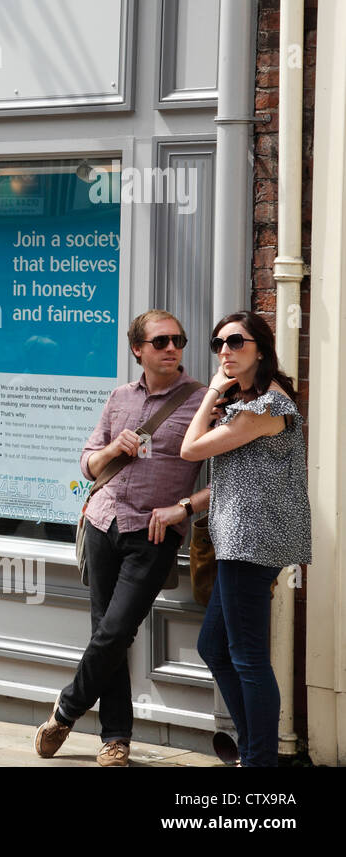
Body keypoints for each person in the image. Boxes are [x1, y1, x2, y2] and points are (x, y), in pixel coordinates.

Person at [34, 310, 208, 766]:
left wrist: (183, 509)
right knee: (104, 634)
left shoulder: (202, 402)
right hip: (102, 522)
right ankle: (116, 739)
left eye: (178, 340)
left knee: (115, 632)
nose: (172, 348)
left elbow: (227, 480)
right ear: (138, 350)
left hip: (152, 533)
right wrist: (114, 448)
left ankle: (66, 711)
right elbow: (88, 463)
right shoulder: (118, 398)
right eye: (160, 341)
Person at [180, 311, 311, 768]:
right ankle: (255, 751)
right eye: (218, 344)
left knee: (248, 656)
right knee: (214, 646)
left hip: (252, 542)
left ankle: (259, 760)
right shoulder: (252, 405)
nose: (225, 352)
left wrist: (213, 390)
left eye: (236, 342)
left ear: (261, 347)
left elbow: (189, 449)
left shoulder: (268, 407)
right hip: (241, 540)